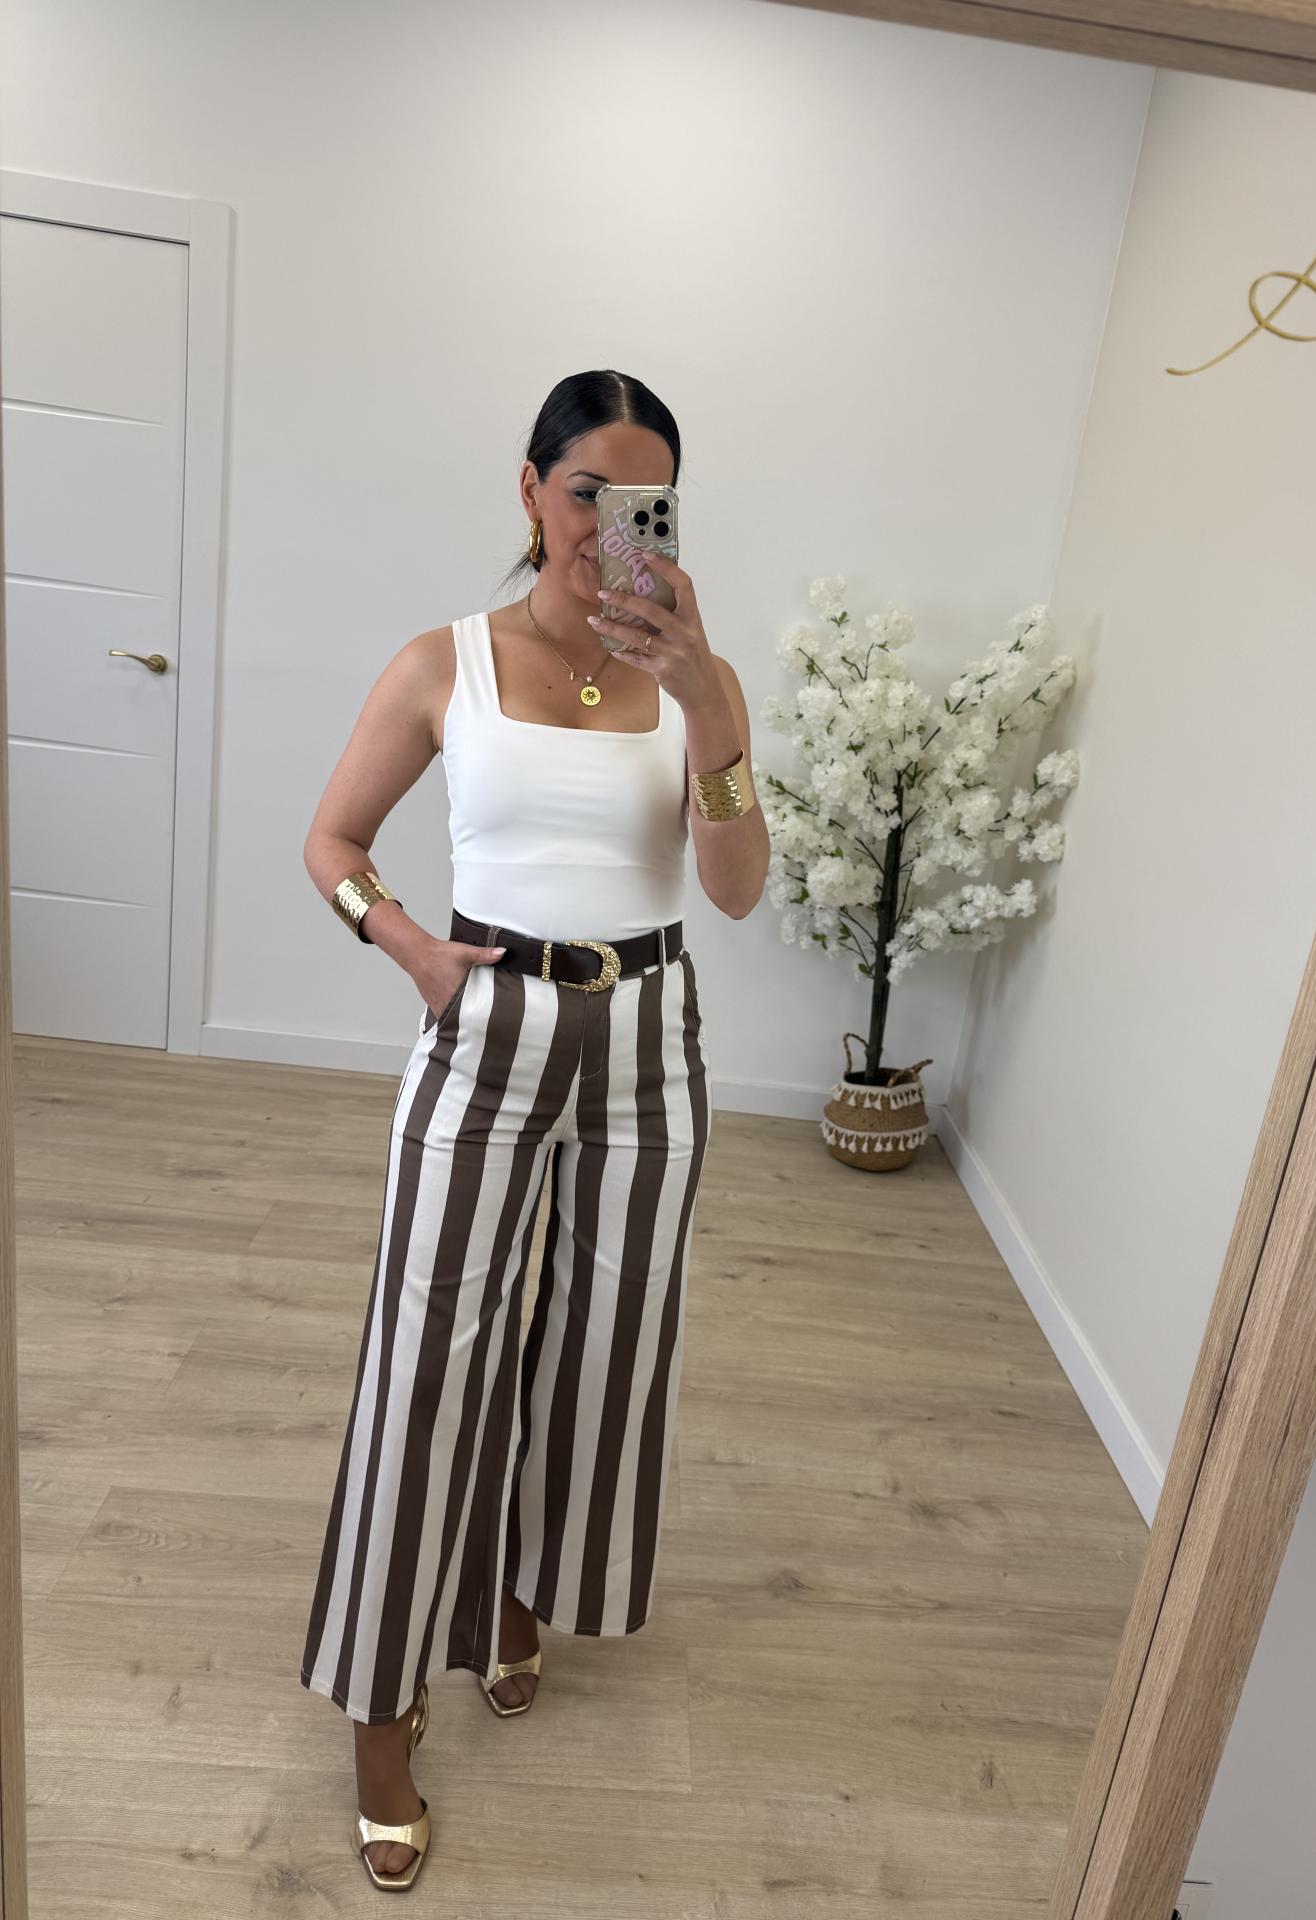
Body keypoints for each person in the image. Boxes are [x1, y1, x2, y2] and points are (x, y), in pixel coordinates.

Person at [296, 369, 769, 1890]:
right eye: (586, 495)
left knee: (605, 1353)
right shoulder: (445, 662)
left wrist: (708, 702)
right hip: (488, 1027)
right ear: (531, 490)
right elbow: (333, 840)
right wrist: (412, 951)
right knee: (426, 1359)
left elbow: (738, 891)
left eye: (645, 505)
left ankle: (517, 1592)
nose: (608, 528)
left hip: (649, 1041)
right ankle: (381, 1708)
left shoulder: (697, 679)